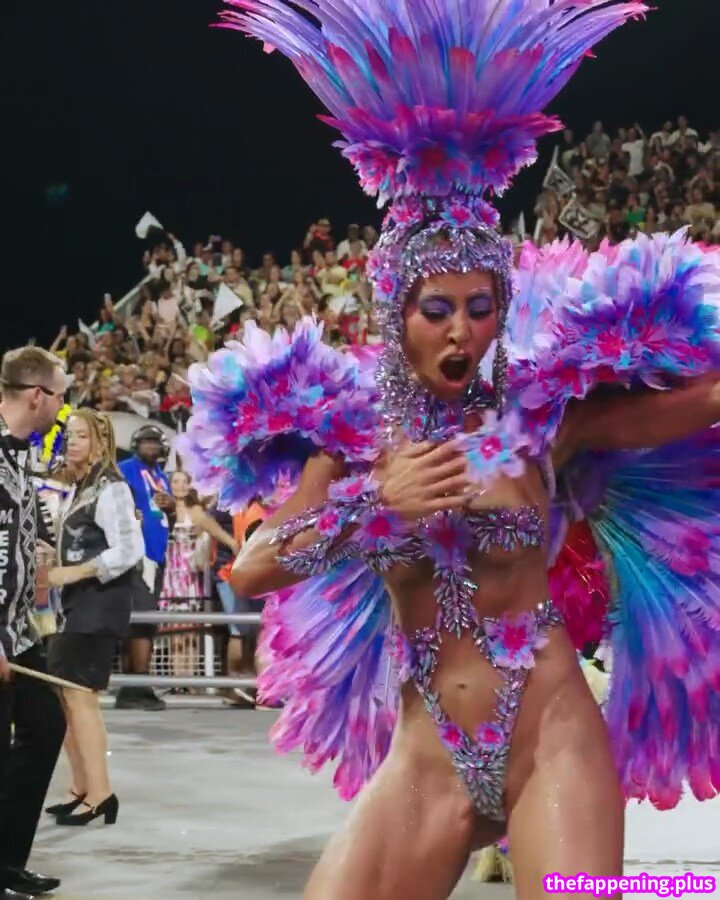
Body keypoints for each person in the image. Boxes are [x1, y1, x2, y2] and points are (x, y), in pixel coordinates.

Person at [184, 3, 720, 900]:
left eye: (481, 308)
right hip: (429, 756)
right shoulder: (355, 440)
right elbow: (253, 569)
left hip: (551, 737)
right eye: (437, 310)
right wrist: (374, 505)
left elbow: (699, 401)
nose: (462, 331)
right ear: (397, 316)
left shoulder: (538, 421)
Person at [46, 410, 144, 826]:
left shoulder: (111, 487)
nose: (72, 442)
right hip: (78, 603)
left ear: (101, 442)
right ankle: (83, 786)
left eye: (81, 436)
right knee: (68, 695)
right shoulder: (82, 487)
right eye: (69, 435)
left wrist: (73, 572)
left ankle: (100, 792)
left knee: (79, 695)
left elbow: (129, 549)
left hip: (99, 602)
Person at [0, 346, 68, 897]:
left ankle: (6, 862)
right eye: (60, 397)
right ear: (37, 396)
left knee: (45, 727)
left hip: (19, 629)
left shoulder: (23, 455)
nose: (63, 408)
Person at [158, 470, 237, 685]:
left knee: (190, 630)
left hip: (190, 576)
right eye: (176, 481)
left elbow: (219, 533)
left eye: (185, 482)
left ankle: (190, 680)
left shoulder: (196, 511)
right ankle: (177, 681)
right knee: (174, 631)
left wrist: (235, 546)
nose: (180, 486)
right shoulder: (164, 511)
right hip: (171, 576)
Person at [115, 425, 172, 711]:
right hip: (138, 553)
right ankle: (137, 685)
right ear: (136, 445)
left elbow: (161, 512)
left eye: (155, 443)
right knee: (142, 619)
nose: (150, 447)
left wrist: (170, 505)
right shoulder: (125, 469)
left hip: (156, 553)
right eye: (145, 442)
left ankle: (134, 687)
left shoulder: (161, 475)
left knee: (143, 620)